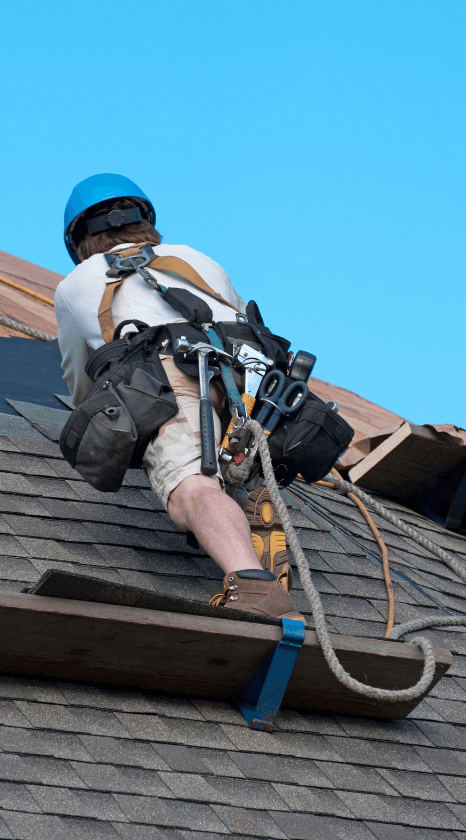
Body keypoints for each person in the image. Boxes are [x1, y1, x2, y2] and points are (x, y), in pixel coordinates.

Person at [55, 173, 303, 622]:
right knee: (234, 454)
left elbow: (82, 381)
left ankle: (251, 582)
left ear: (80, 240)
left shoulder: (78, 282)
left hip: (169, 372)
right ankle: (244, 502)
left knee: (191, 487)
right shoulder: (195, 258)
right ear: (145, 222)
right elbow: (243, 321)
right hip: (254, 381)